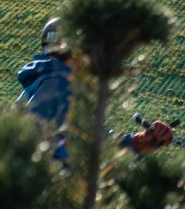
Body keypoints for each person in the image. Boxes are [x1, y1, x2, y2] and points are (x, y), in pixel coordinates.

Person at [17, 17, 172, 162]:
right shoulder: (62, 85)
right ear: (76, 52)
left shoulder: (36, 89)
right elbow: (72, 153)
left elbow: (84, 141)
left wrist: (139, 142)